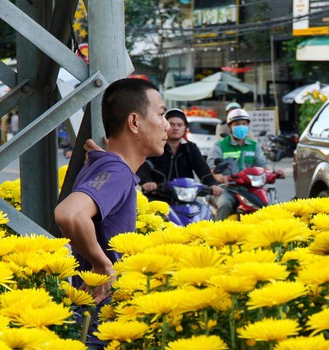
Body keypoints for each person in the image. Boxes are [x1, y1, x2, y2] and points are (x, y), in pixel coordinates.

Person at [54, 77, 168, 303]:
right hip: (102, 317)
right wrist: (102, 264)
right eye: (161, 114)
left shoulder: (108, 166)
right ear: (134, 122)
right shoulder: (117, 172)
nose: (167, 125)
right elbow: (70, 214)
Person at [208, 107, 283, 219]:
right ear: (229, 127)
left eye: (244, 124)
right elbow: (212, 166)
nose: (241, 126)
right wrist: (222, 178)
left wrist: (273, 172)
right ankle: (217, 233)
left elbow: (262, 163)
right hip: (229, 189)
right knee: (225, 204)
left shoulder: (253, 145)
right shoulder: (220, 145)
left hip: (251, 189)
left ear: (248, 126)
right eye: (237, 124)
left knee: (271, 204)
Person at [137, 108, 222, 202]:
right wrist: (147, 182)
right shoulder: (153, 145)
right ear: (164, 126)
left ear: (185, 128)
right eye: (171, 124)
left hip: (186, 197)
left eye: (180, 125)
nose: (176, 128)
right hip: (157, 197)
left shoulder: (191, 148)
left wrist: (212, 184)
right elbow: (142, 165)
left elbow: (202, 167)